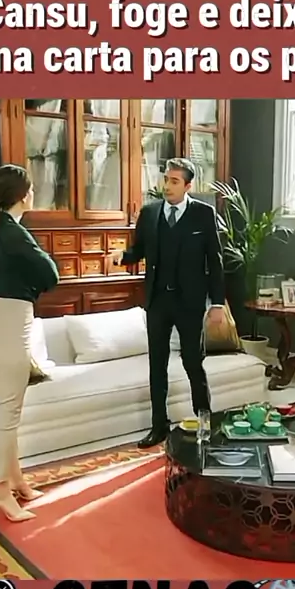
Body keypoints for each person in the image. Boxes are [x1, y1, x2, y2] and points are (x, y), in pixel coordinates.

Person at [113, 158, 225, 448]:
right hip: (158, 301)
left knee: (192, 362)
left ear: (188, 186)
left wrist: (217, 304)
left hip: (190, 303)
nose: (167, 186)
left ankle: (204, 422)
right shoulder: (150, 213)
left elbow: (215, 261)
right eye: (166, 179)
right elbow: (138, 250)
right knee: (157, 365)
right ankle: (158, 426)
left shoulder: (203, 214)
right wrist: (123, 257)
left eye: (174, 181)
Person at [0, 164, 60, 522]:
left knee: (4, 410)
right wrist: (36, 280)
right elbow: (51, 274)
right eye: (31, 188)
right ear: (24, 195)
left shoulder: (0, 226)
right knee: (8, 414)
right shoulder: (14, 232)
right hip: (12, 321)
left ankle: (15, 480)